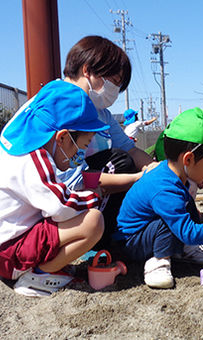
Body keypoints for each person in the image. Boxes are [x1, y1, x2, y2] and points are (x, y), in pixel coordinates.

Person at [0, 80, 109, 297]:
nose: (80, 155)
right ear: (63, 137)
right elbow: (60, 207)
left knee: (75, 219)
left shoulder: (25, 148)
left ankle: (46, 267)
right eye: (82, 146)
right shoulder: (35, 158)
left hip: (6, 248)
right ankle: (37, 276)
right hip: (7, 254)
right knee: (93, 221)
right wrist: (94, 197)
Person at [113, 108, 203, 289]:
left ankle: (183, 249)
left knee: (187, 205)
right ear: (188, 159)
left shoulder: (174, 175)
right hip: (130, 243)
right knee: (168, 222)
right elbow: (187, 231)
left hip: (146, 232)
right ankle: (158, 262)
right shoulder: (164, 188)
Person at [57, 36, 157, 251]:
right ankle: (100, 237)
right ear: (88, 70)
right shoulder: (63, 106)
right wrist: (137, 178)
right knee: (119, 161)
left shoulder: (102, 114)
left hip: (86, 186)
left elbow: (130, 148)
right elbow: (72, 177)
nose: (116, 89)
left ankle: (109, 230)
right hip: (65, 196)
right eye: (114, 81)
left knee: (125, 158)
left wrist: (154, 168)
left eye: (119, 85)